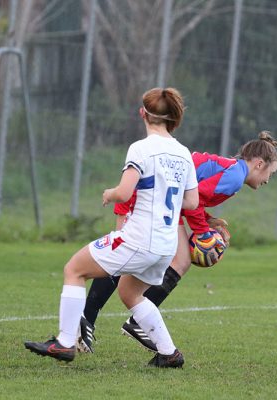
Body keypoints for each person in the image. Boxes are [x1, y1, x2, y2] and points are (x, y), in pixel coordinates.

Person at [77, 131, 277, 353]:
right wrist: (203, 232)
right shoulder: (234, 177)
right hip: (146, 194)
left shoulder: (234, 171)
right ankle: (89, 319)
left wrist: (208, 220)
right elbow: (195, 201)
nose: (268, 180)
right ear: (259, 164)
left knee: (173, 261)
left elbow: (191, 200)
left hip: (163, 200)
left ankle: (125, 322)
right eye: (270, 173)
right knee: (130, 256)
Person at [24, 87, 199, 368]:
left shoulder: (141, 149)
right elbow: (191, 202)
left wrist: (110, 193)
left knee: (74, 269)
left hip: (138, 239)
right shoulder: (183, 153)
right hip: (166, 246)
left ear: (143, 113)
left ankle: (64, 343)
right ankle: (169, 353)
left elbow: (125, 192)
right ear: (172, 117)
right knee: (130, 293)